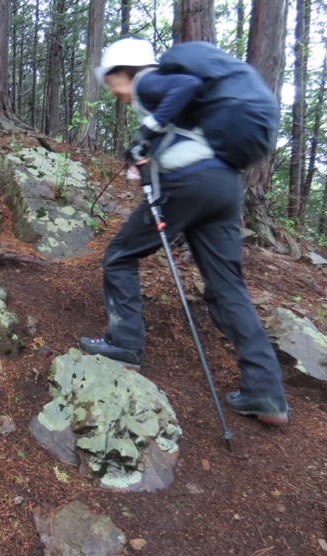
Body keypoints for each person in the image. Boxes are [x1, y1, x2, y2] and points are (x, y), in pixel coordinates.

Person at [79, 38, 289, 426]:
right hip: (224, 186)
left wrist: (148, 129)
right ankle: (266, 392)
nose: (115, 92)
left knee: (120, 255)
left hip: (188, 184)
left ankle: (124, 343)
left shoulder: (147, 80)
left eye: (112, 82)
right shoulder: (183, 102)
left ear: (123, 71)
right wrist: (146, 149)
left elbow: (184, 88)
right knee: (227, 286)